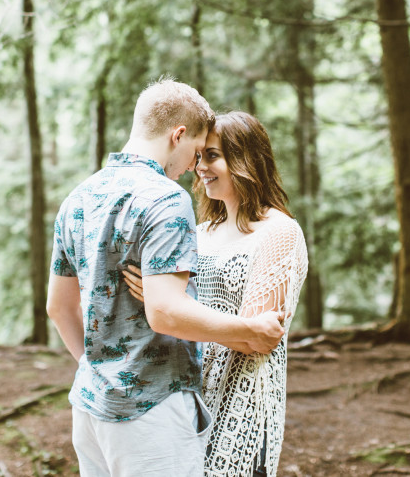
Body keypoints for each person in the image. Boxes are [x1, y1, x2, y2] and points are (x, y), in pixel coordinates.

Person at [47, 81, 286, 477]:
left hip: (89, 411)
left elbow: (58, 306)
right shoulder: (165, 198)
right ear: (178, 135)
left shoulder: (78, 197)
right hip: (151, 412)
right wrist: (249, 329)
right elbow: (165, 313)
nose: (194, 166)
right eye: (195, 152)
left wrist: (100, 372)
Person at [124, 111, 309, 476]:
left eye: (213, 156)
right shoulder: (201, 231)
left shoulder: (279, 232)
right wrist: (166, 304)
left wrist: (167, 304)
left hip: (243, 406)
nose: (200, 167)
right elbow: (230, 326)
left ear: (246, 160)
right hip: (189, 403)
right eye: (200, 157)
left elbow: (255, 339)